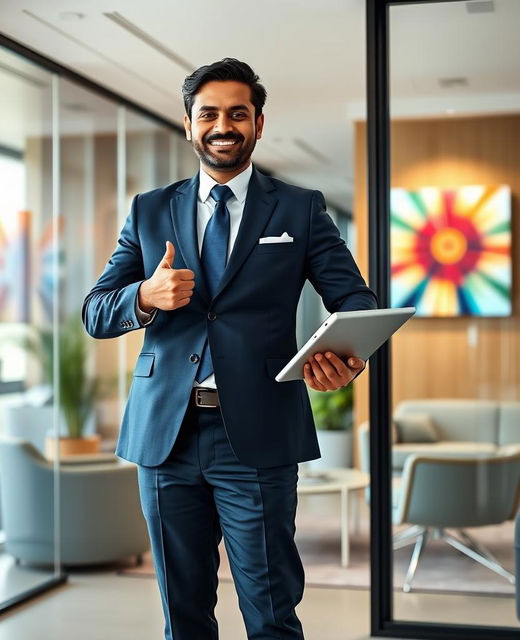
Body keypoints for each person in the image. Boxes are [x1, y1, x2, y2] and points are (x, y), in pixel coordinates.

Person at [82, 58, 377, 640]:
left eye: (237, 113)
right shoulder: (149, 210)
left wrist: (343, 359)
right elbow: (95, 311)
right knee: (183, 614)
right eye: (208, 113)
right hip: (165, 435)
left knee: (270, 610)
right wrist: (145, 295)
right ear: (189, 125)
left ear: (258, 124)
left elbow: (357, 304)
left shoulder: (299, 207)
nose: (223, 125)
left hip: (258, 437)